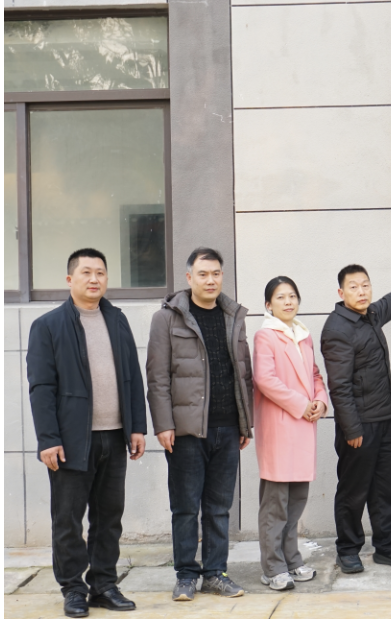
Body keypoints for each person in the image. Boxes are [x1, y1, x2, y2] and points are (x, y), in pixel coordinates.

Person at [26, 248, 146, 618]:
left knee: (109, 517)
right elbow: (41, 387)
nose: (94, 279)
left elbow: (132, 376)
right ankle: (73, 589)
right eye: (86, 272)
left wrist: (137, 427)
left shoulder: (117, 320)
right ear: (70, 279)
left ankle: (104, 585)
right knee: (68, 519)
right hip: (71, 441)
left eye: (100, 273)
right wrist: (48, 439)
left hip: (114, 435)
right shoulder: (48, 325)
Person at [146, 247, 253, 601]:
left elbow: (244, 373)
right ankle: (186, 575)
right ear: (189, 277)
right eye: (203, 274)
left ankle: (215, 573)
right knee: (185, 507)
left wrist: (245, 423)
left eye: (216, 274)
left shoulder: (233, 316)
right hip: (186, 431)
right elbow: (157, 377)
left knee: (219, 508)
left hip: (228, 427)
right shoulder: (167, 318)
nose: (211, 280)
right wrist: (163, 424)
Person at [321, 263, 391, 574]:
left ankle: (387, 546)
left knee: (385, 489)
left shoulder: (370, 314)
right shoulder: (337, 329)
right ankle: (347, 550)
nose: (361, 292)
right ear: (341, 292)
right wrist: (352, 429)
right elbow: (339, 386)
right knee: (353, 491)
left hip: (384, 417)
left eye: (365, 285)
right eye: (354, 287)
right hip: (359, 425)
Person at [253, 276, 328, 591]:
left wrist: (320, 401)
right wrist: (301, 404)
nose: (288, 302)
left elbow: (315, 375)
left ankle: (291, 560)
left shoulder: (303, 335)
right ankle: (272, 567)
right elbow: (264, 379)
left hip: (304, 424)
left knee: (296, 499)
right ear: (268, 305)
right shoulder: (265, 336)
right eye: (281, 297)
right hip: (281, 427)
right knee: (276, 503)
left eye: (292, 296)